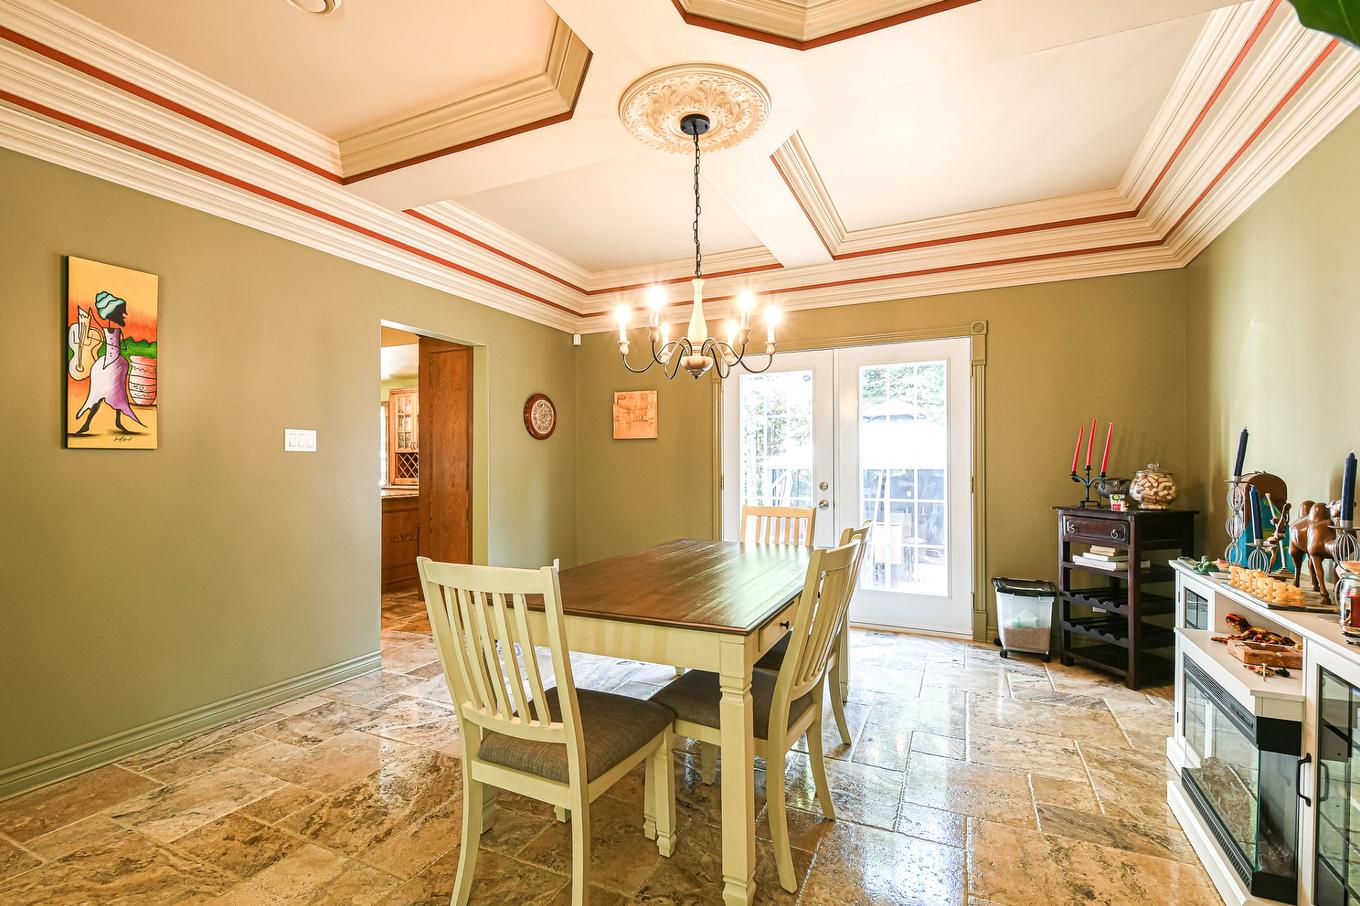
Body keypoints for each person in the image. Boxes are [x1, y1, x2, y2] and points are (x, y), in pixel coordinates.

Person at [68, 291, 144, 436]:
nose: (124, 314)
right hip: (109, 365)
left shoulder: (110, 329)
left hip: (116, 364)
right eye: (122, 311)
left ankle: (113, 422)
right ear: (113, 312)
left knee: (118, 395)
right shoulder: (112, 330)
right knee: (99, 395)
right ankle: (87, 424)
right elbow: (122, 346)